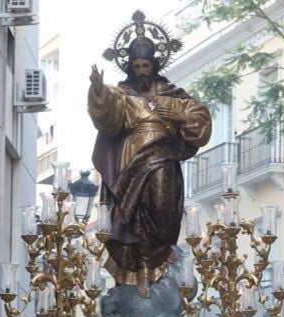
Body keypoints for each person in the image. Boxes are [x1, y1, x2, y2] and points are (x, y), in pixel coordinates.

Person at [88, 11, 212, 295]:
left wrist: (179, 116)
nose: (141, 71)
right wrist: (97, 90)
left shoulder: (173, 94)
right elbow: (107, 114)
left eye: (146, 65)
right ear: (130, 66)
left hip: (163, 159)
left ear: (154, 64)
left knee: (162, 209)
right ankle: (141, 266)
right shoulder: (123, 94)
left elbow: (200, 119)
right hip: (131, 159)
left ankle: (159, 261)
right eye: (137, 65)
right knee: (131, 215)